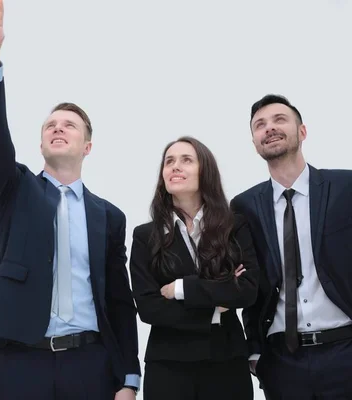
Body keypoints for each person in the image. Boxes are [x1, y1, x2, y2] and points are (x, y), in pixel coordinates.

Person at [0, 1, 140, 399]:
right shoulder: (15, 190)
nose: (58, 129)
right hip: (22, 364)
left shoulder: (108, 216)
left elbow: (118, 299)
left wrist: (129, 377)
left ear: (88, 145)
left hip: (90, 363)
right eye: (50, 125)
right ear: (41, 141)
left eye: (69, 125)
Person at [231, 94, 352, 399]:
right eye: (260, 125)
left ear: (302, 132)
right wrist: (255, 350)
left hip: (345, 350)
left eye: (279, 120)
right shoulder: (244, 206)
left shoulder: (345, 188)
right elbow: (250, 281)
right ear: (255, 141)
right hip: (282, 362)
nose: (269, 128)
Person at [129, 137, 258, 400]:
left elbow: (246, 291)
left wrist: (181, 288)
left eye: (186, 160)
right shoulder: (145, 236)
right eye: (169, 161)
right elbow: (148, 307)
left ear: (205, 171)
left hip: (227, 363)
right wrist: (216, 306)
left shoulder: (235, 226)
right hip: (168, 367)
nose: (175, 167)